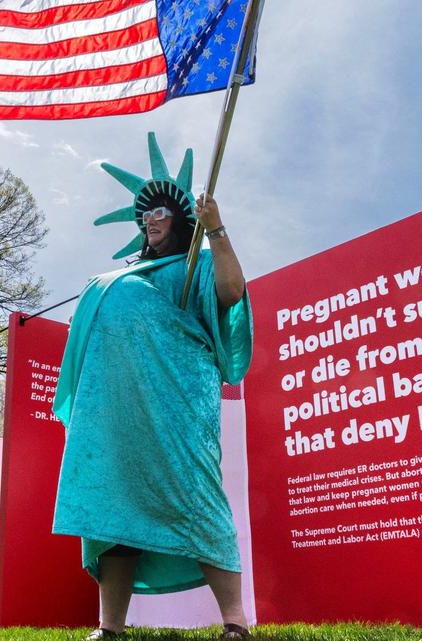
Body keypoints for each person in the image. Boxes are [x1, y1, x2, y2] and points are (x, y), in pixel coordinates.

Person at [52, 134, 253, 640]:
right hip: (118, 411)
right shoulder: (122, 276)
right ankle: (111, 628)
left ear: (181, 219)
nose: (152, 217)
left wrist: (217, 231)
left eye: (163, 209)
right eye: (147, 212)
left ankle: (235, 622)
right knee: (115, 508)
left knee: (197, 500)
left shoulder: (198, 265)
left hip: (179, 404)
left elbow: (231, 293)